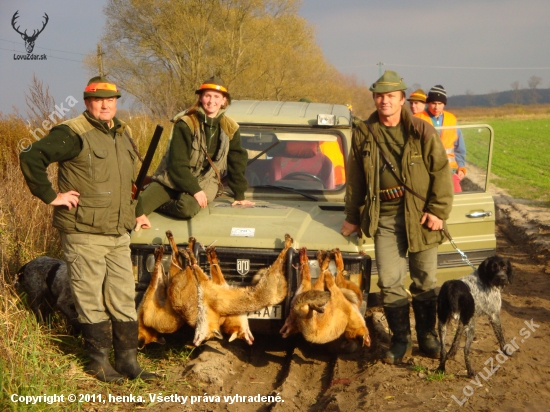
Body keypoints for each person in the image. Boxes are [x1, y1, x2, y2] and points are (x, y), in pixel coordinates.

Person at [20, 76, 157, 383]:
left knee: (122, 296)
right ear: (86, 102)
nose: (105, 105)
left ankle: (128, 362)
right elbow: (31, 156)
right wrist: (52, 196)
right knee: (90, 296)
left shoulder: (122, 133)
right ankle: (97, 363)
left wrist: (139, 212)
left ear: (116, 102)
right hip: (84, 232)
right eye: (98, 100)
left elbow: (126, 182)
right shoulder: (72, 132)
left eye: (111, 100)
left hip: (118, 233)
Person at [340, 71, 453, 364]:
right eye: (379, 96)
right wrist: (352, 217)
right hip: (384, 218)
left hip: (420, 216)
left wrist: (438, 211)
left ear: (402, 99)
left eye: (390, 96)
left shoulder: (421, 130)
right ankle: (401, 341)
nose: (384, 101)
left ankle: (428, 337)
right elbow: (355, 181)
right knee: (389, 281)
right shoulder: (364, 132)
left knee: (425, 279)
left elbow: (441, 171)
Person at [135, 76, 254, 230]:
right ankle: (161, 202)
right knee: (136, 207)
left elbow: (236, 162)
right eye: (207, 96)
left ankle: (171, 201)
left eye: (216, 97)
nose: (212, 101)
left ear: (224, 101)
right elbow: (177, 164)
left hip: (205, 183)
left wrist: (239, 195)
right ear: (200, 98)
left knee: (186, 208)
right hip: (171, 180)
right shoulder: (185, 124)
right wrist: (194, 190)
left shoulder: (231, 128)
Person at [415, 85, 467, 192]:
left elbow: (459, 147)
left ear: (444, 104)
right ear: (428, 103)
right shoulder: (418, 119)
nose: (436, 107)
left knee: (457, 195)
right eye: (433, 103)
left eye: (440, 104)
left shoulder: (451, 119)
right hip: (426, 170)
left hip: (449, 170)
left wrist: (461, 166)